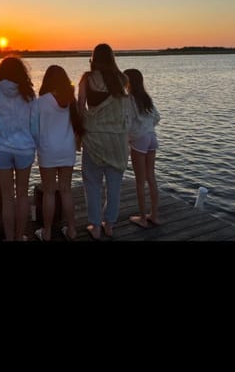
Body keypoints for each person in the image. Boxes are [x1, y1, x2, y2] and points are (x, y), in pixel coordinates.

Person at [78, 43, 131, 240]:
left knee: (92, 184)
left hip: (94, 139)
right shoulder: (122, 79)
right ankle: (109, 224)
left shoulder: (87, 79)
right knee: (114, 185)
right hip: (117, 141)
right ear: (112, 58)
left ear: (94, 58)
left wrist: (79, 133)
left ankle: (96, 226)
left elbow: (80, 108)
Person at [0, 55, 37, 241]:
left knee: (7, 198)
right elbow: (35, 125)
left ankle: (9, 238)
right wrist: (35, 146)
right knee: (22, 195)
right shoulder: (29, 95)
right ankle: (20, 235)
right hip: (25, 149)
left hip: (2, 150)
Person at [33, 65, 84, 242]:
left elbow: (35, 128)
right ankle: (71, 230)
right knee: (66, 191)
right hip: (67, 148)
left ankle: (46, 232)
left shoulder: (40, 102)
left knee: (49, 192)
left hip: (48, 150)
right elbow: (77, 124)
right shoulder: (70, 99)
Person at [124, 68, 160, 228]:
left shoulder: (128, 99)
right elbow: (157, 117)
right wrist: (147, 127)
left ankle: (143, 219)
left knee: (140, 181)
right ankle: (154, 215)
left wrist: (128, 137)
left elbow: (128, 123)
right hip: (152, 136)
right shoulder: (146, 98)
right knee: (151, 177)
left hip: (140, 139)